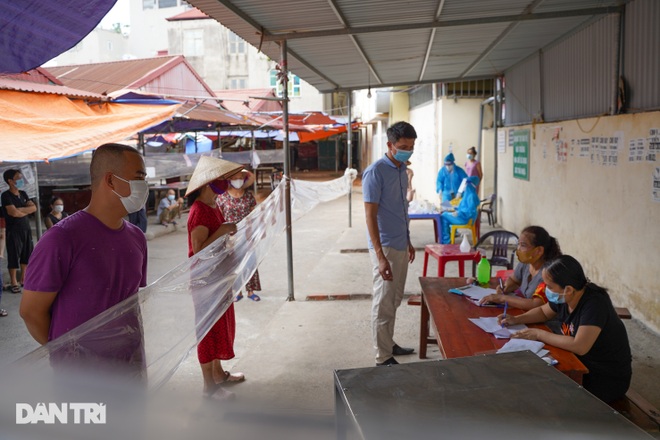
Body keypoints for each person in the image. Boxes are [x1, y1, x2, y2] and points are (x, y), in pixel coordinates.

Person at [19, 143, 149, 373]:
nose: (144, 186)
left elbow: (130, 303)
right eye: (139, 177)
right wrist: (70, 356)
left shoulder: (136, 237)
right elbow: (31, 312)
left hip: (131, 364)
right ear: (110, 180)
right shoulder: (61, 239)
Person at [500, 255, 632, 403]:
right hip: (579, 362)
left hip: (604, 377)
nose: (546, 290)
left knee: (539, 391)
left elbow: (580, 346)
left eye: (549, 286)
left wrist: (538, 334)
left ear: (568, 289)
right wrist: (516, 319)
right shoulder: (566, 296)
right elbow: (543, 312)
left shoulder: (594, 304)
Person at [185, 156, 246, 399]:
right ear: (206, 183)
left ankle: (219, 374)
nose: (224, 183)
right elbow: (197, 253)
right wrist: (222, 231)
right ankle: (208, 386)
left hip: (219, 278)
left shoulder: (215, 206)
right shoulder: (199, 211)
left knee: (220, 326)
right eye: (219, 180)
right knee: (207, 331)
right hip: (205, 282)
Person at [363, 121, 417, 366]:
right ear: (390, 145)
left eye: (411, 146)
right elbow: (370, 216)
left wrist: (408, 241)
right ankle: (382, 356)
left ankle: (389, 342)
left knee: (394, 298)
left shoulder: (401, 168)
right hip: (384, 246)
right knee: (383, 301)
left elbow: (401, 208)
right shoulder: (375, 172)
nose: (408, 151)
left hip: (400, 244)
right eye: (403, 146)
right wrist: (380, 256)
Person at [479, 225, 562, 310]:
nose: (518, 249)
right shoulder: (526, 263)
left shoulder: (548, 272)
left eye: (523, 245)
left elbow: (535, 304)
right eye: (518, 244)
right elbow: (514, 280)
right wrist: (505, 287)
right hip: (525, 314)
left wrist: (502, 298)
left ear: (539, 250)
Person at [216, 169, 261, 302]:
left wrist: (255, 232)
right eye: (236, 177)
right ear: (229, 180)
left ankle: (251, 291)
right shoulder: (222, 197)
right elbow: (219, 218)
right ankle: (237, 291)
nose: (239, 179)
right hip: (230, 237)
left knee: (249, 262)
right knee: (233, 264)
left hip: (247, 234)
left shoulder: (248, 196)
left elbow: (254, 215)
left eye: (241, 177)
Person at [1, 169, 36, 293]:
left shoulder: (23, 193)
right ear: (10, 181)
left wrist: (20, 211)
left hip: (25, 228)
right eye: (18, 178)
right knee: (13, 255)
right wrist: (23, 210)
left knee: (26, 254)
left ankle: (24, 279)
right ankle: (13, 282)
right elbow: (13, 212)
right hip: (13, 230)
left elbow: (34, 208)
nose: (21, 180)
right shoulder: (5, 195)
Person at [439, 175, 480, 244]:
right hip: (463, 216)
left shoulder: (471, 196)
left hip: (465, 219)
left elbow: (470, 211)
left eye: (466, 184)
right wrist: (453, 208)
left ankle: (446, 241)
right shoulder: (468, 194)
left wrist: (459, 213)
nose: (464, 186)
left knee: (443, 216)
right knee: (445, 215)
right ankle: (447, 239)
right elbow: (463, 207)